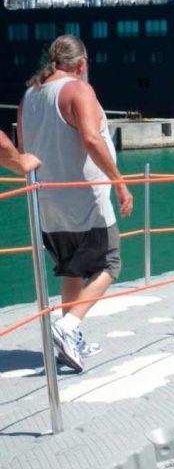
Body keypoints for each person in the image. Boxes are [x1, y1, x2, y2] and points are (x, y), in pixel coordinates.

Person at [18, 34, 133, 374]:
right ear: (81, 64)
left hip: (48, 203)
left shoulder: (30, 96)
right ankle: (65, 328)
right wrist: (120, 183)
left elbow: (24, 148)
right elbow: (90, 138)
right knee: (109, 265)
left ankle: (70, 340)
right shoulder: (79, 90)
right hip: (85, 200)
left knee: (71, 271)